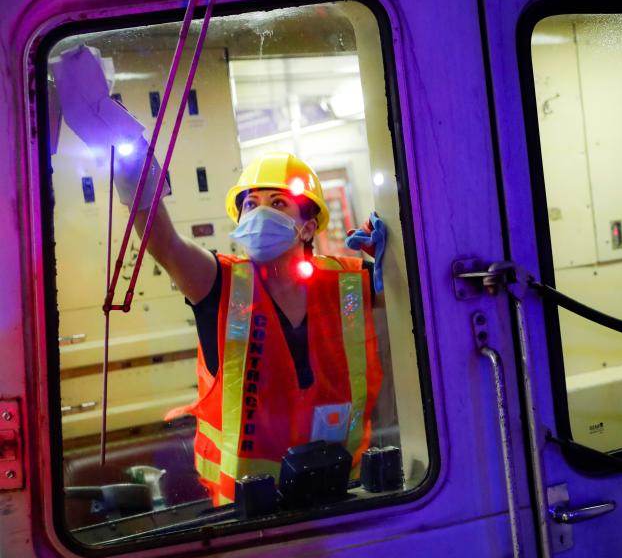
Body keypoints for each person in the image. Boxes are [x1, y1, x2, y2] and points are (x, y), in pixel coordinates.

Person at [51, 45, 386, 506]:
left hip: (345, 494)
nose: (259, 213)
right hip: (247, 513)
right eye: (251, 204)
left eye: (277, 203)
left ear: (308, 226)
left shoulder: (351, 282)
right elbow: (162, 241)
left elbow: (420, 288)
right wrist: (128, 157)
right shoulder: (220, 283)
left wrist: (398, 251)